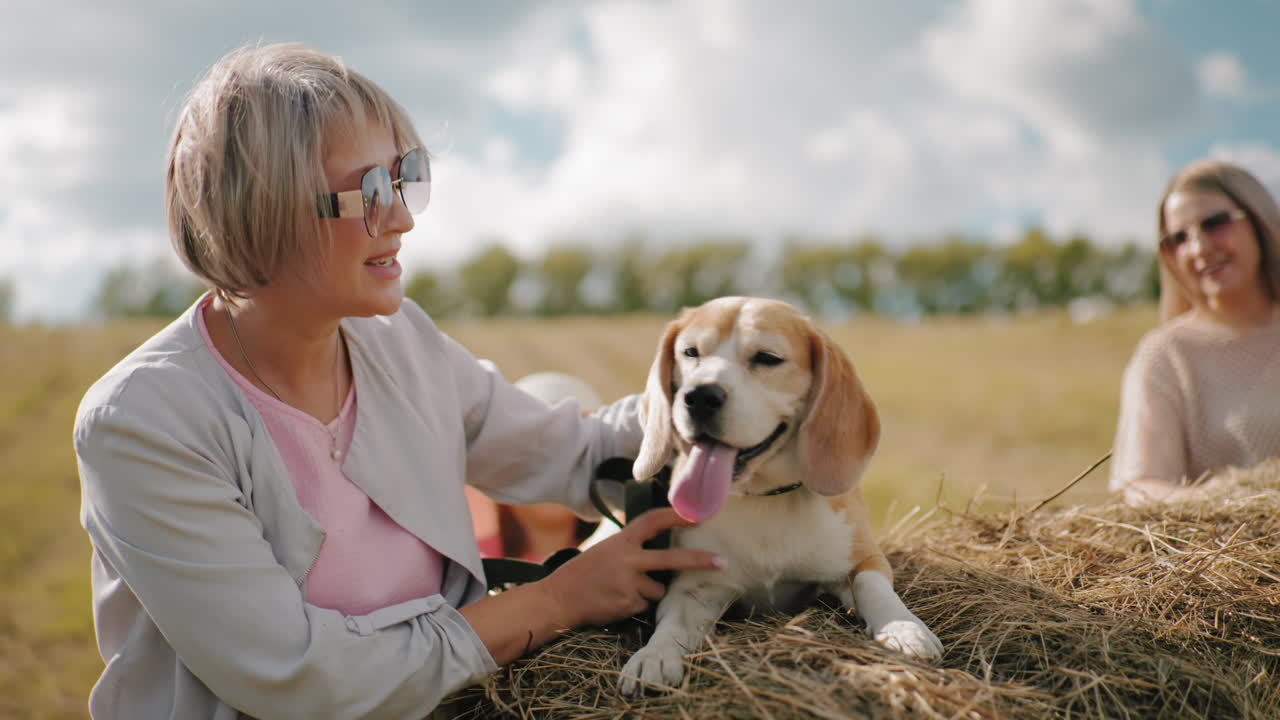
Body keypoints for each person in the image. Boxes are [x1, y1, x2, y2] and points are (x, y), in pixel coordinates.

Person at [73, 43, 721, 719]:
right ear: (265, 210)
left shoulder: (401, 343)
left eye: (406, 177)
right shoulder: (144, 420)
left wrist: (726, 389)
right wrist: (555, 601)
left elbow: (579, 454)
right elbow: (298, 678)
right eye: (371, 193)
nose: (404, 219)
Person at [1109, 158, 1280, 505]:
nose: (1200, 248)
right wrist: (1228, 502)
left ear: (1259, 220)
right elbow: (1141, 486)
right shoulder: (1167, 354)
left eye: (1215, 223)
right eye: (1179, 238)